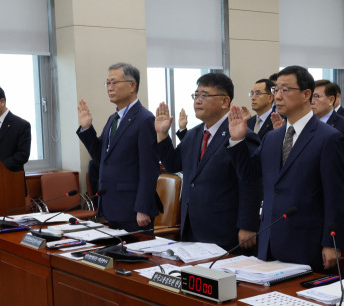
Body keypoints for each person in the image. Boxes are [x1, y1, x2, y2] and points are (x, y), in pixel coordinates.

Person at [227, 65, 344, 272]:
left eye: (285, 89)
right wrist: (238, 140)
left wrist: (331, 242)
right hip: (270, 239)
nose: (277, 96)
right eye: (275, 90)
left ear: (306, 94)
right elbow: (250, 174)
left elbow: (336, 195)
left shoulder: (328, 137)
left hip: (306, 241)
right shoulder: (272, 138)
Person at [155, 73, 262, 251]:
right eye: (196, 95)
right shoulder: (194, 134)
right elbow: (173, 164)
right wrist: (162, 134)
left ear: (225, 101)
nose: (197, 100)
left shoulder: (241, 136)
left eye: (204, 95)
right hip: (191, 226)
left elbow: (250, 182)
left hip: (224, 229)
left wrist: (248, 224)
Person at [77, 62, 160, 232]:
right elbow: (102, 158)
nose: (109, 88)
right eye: (107, 83)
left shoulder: (144, 119)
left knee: (136, 257)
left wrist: (143, 208)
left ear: (132, 86)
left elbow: (149, 168)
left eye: (114, 83)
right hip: (112, 206)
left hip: (133, 209)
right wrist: (87, 129)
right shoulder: (113, 119)